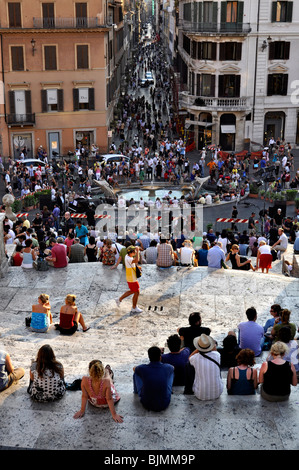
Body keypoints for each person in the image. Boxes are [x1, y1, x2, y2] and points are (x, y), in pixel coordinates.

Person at [133, 346, 174, 411]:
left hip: (146, 403)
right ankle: (169, 390)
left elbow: (134, 368)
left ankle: (136, 391)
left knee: (136, 373)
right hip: (164, 403)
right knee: (171, 373)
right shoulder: (167, 367)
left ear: (149, 357)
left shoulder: (142, 368)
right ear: (160, 357)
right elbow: (173, 368)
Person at [187, 334, 223, 400]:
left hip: (200, 395)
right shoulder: (217, 355)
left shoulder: (195, 358)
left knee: (189, 365)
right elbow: (215, 351)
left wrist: (198, 349)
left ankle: (188, 388)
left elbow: (189, 358)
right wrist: (213, 346)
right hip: (217, 393)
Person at [115, 246, 143, 313]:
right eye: (134, 252)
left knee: (133, 291)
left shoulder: (127, 257)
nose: (135, 253)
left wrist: (136, 267)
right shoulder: (129, 258)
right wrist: (138, 250)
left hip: (130, 277)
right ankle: (134, 307)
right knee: (136, 292)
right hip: (132, 278)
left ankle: (119, 299)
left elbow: (132, 263)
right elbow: (136, 260)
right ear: (131, 252)